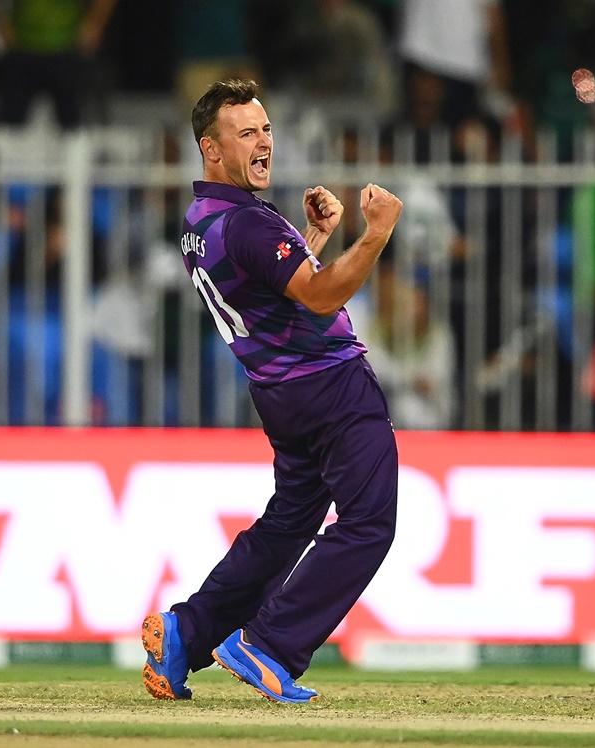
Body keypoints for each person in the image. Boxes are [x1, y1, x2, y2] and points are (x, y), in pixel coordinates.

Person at [140, 79, 403, 704]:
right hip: (332, 385)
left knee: (288, 525)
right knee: (369, 522)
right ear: (211, 147)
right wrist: (374, 235)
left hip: (281, 396)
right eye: (247, 133)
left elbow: (268, 297)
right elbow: (317, 297)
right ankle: (271, 646)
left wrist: (311, 242)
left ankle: (186, 632)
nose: (264, 144)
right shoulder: (249, 225)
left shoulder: (202, 221)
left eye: (266, 129)